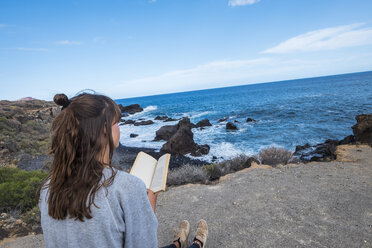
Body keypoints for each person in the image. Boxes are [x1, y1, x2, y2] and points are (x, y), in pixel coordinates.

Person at [38, 92, 208, 248]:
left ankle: (178, 243)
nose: (119, 127)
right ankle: (197, 244)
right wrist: (148, 207)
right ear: (104, 129)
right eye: (116, 122)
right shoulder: (127, 188)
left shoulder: (47, 188)